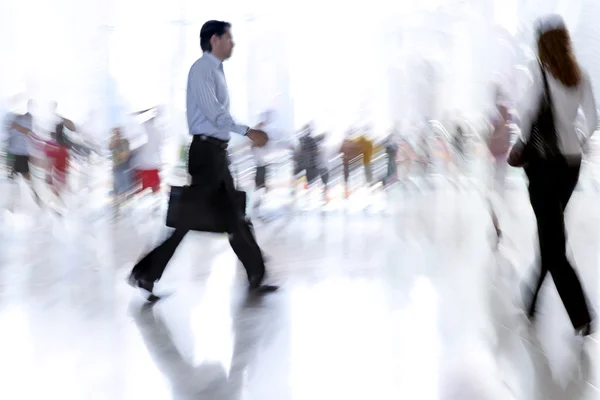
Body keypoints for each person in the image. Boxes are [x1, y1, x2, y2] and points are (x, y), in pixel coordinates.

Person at [128, 20, 276, 301]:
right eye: (228, 38)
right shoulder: (202, 69)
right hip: (206, 153)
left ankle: (256, 274)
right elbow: (213, 113)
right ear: (215, 39)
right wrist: (249, 131)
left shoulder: (216, 71)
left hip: (216, 152)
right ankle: (145, 273)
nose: (232, 43)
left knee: (235, 216)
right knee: (191, 218)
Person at [515, 15, 595, 336]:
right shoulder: (581, 76)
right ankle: (530, 299)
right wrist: (578, 137)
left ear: (543, 46)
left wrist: (521, 144)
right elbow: (593, 119)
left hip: (544, 165)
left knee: (553, 244)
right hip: (571, 164)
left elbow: (525, 116)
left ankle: (582, 316)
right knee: (551, 234)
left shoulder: (541, 73)